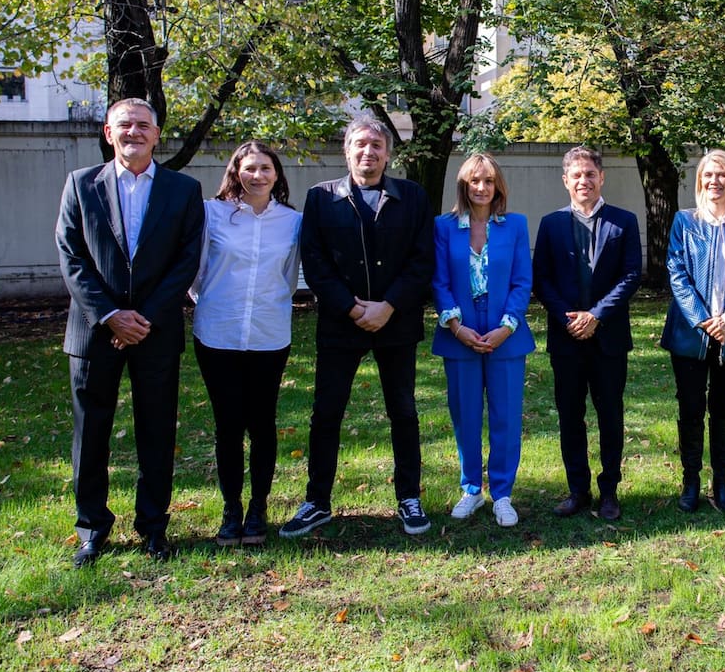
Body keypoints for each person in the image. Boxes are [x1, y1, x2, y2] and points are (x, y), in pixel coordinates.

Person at [55, 98, 204, 566]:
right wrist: (110, 315)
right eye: (125, 125)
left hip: (155, 332)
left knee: (157, 431)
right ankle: (92, 528)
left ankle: (153, 526)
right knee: (91, 432)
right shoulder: (81, 185)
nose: (134, 132)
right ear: (108, 132)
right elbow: (71, 255)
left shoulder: (183, 190)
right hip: (93, 330)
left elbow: (187, 259)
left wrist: (143, 318)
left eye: (143, 125)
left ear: (157, 135)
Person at [280, 115, 435, 538]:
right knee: (326, 413)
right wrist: (351, 308)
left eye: (377, 146)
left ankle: (409, 498)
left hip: (396, 322)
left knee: (402, 411)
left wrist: (388, 306)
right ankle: (317, 501)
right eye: (360, 145)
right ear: (346, 150)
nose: (369, 152)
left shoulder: (413, 197)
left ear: (388, 153)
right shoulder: (320, 198)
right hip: (340, 323)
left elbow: (422, 261)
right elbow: (315, 263)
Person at [191, 141, 302, 546]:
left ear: (277, 174)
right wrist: (216, 300)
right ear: (236, 171)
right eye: (250, 168)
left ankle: (258, 507)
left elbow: (290, 277)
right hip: (217, 332)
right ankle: (230, 508)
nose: (258, 175)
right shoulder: (211, 213)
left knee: (262, 423)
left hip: (269, 334)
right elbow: (197, 271)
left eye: (266, 168)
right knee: (228, 425)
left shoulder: (292, 222)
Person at [532, 146, 642, 521]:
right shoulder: (550, 224)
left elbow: (631, 276)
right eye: (576, 175)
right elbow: (541, 278)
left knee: (610, 414)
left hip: (609, 338)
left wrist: (596, 315)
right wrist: (569, 319)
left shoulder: (624, 222)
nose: (584, 180)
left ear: (601, 178)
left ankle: (609, 490)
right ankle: (577, 489)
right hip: (566, 339)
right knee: (570, 414)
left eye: (590, 174)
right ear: (565, 181)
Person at [432, 154, 535, 527]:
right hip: (460, 334)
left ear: (498, 186)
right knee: (466, 415)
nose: (481, 188)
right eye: (474, 181)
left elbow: (522, 281)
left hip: (505, 334)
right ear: (463, 185)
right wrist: (456, 327)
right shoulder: (443, 227)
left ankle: (503, 494)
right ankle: (472, 489)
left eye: (488, 181)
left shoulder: (515, 225)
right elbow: (439, 282)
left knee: (506, 415)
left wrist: (506, 327)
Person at [660, 150, 725, 513]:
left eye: (722, 175)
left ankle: (722, 482)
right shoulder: (684, 222)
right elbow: (676, 271)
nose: (714, 181)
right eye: (708, 174)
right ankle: (691, 481)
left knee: (724, 408)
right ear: (700, 179)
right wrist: (703, 318)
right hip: (691, 333)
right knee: (690, 408)